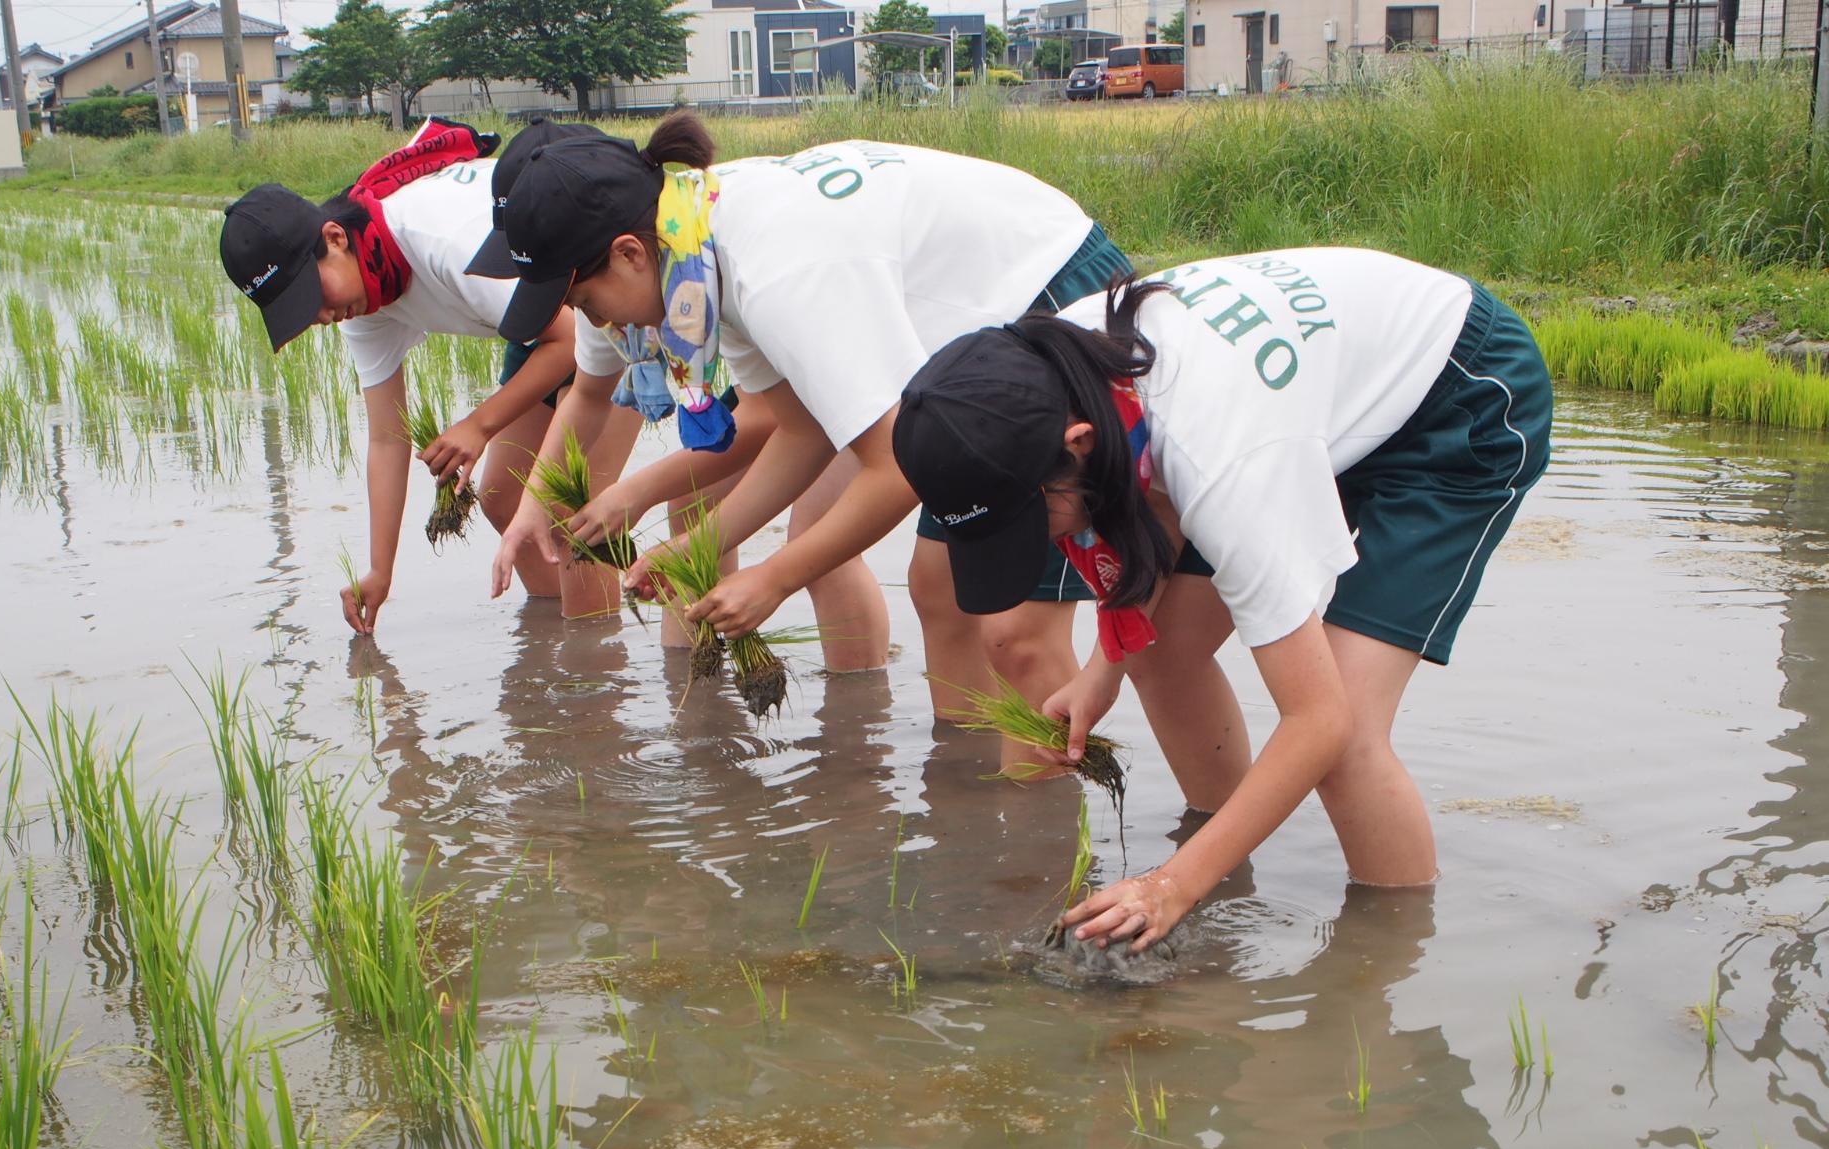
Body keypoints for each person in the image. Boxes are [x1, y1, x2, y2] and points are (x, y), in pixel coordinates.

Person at [891, 249, 1553, 950]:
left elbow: (1316, 719)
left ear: (1078, 444)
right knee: (1162, 656)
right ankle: (1227, 869)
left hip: (1453, 398)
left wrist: (1172, 884)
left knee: (1349, 737)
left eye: (1034, 522)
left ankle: (1382, 971)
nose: (1039, 545)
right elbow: (1157, 499)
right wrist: (1099, 671)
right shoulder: (1057, 368)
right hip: (1299, 406)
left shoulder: (1219, 454)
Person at [479, 115, 1133, 748]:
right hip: (969, 349)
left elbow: (893, 465)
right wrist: (700, 545)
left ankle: (1034, 847)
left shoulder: (771, 269)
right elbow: (799, 428)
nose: (595, 324)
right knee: (941, 590)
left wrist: (774, 578)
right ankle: (967, 797)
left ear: (628, 253)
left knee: (1013, 630)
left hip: (1047, 306)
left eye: (586, 304)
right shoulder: (698, 247)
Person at [218, 116, 639, 632]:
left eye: (313, 296)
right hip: (541, 329)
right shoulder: (364, 299)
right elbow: (387, 440)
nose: (321, 316)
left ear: (334, 238)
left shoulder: (441, 240)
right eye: (300, 312)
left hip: (607, 307)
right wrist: (380, 572)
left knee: (572, 517)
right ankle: (555, 650)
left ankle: (594, 678)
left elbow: (572, 340)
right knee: (506, 499)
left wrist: (479, 427)